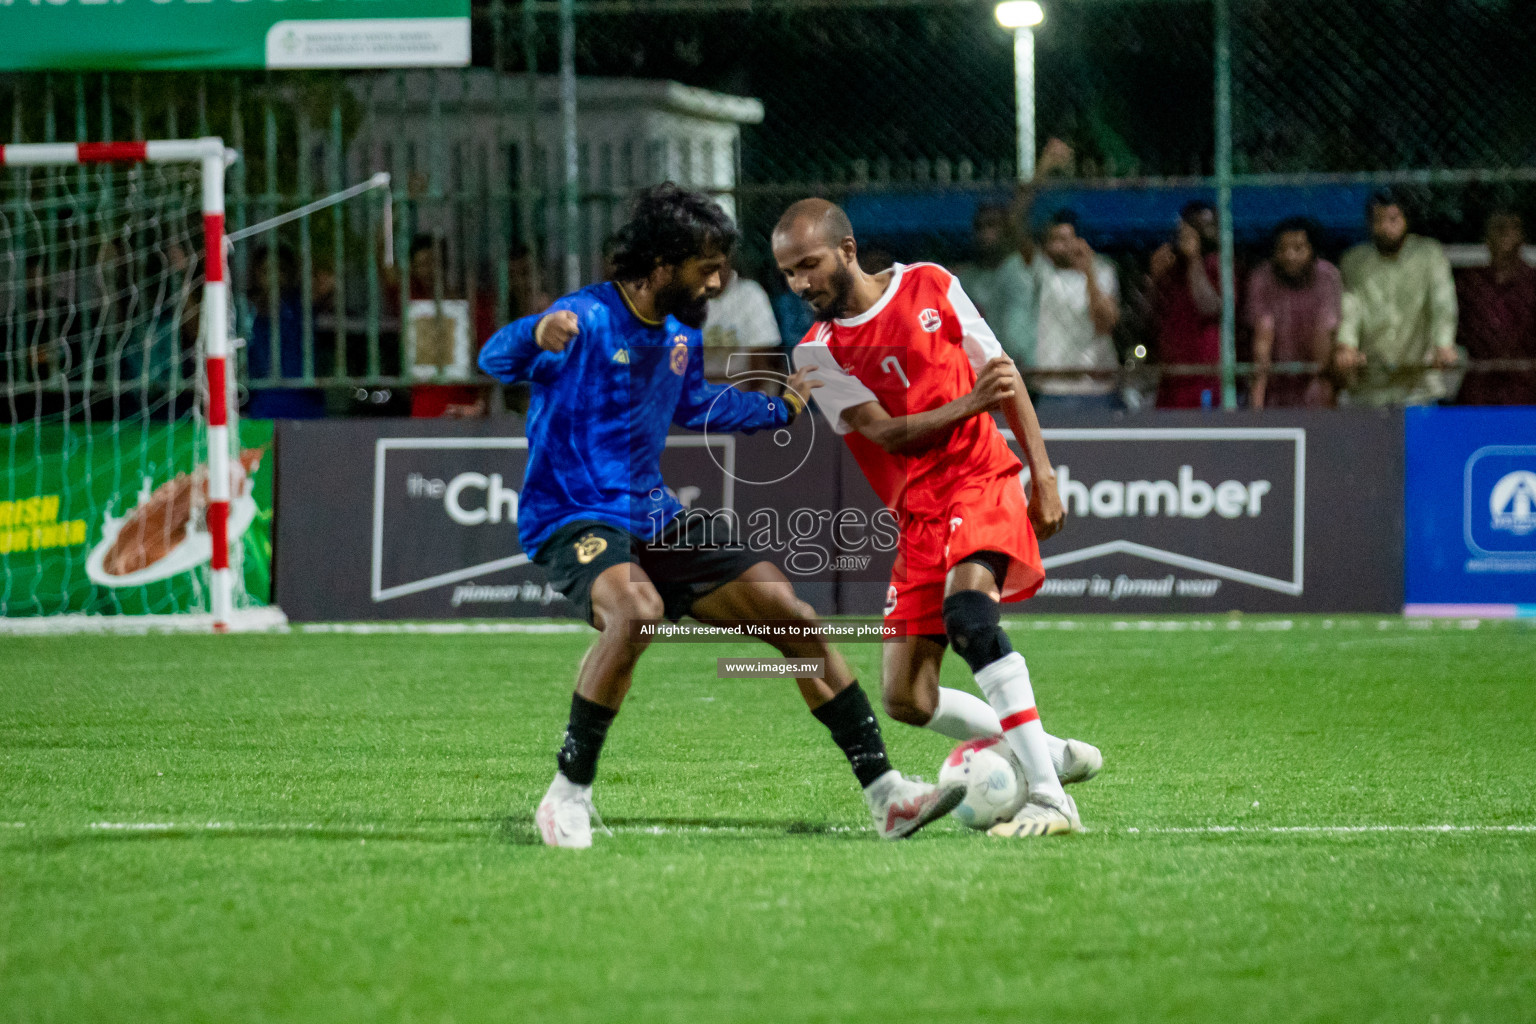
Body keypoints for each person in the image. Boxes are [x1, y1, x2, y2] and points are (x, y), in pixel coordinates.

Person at [478, 184, 963, 849]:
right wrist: (534, 330)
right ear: (663, 261)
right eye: (705, 265)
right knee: (637, 611)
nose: (718, 279)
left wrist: (778, 408)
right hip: (572, 513)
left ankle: (887, 796)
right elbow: (494, 360)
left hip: (654, 514)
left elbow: (696, 406)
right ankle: (567, 794)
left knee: (793, 619)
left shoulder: (677, 334)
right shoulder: (584, 317)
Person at [775, 198, 1101, 840]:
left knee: (971, 620)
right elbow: (888, 435)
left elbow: (1001, 379)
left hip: (980, 480)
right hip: (919, 514)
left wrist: (1043, 473)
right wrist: (970, 403)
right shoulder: (815, 354)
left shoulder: (931, 284)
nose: (800, 283)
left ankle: (1051, 797)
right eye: (787, 272)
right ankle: (1045, 747)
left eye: (809, 264)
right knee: (905, 698)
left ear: (846, 250)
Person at [954, 137, 1075, 373]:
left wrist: (1043, 168)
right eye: (981, 226)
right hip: (982, 373)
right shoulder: (965, 278)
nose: (986, 232)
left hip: (1024, 372)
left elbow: (1016, 220)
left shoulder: (1020, 262)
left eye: (993, 225)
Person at [1335, 190, 1459, 406]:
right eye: (1378, 220)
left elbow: (1443, 304)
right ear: (1369, 224)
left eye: (1393, 219)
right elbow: (1350, 307)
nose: (1386, 227)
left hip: (1419, 381)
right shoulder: (1354, 261)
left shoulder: (1429, 255)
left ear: (1406, 220)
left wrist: (1443, 344)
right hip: (1371, 381)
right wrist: (1347, 345)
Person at [1245, 217, 1343, 408]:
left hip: (1314, 380)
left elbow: (1324, 335)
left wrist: (1324, 398)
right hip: (1275, 387)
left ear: (1312, 250)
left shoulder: (1327, 276)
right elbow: (1262, 339)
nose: (1289, 255)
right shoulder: (1262, 278)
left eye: (1298, 249)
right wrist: (1256, 408)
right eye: (1282, 249)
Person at [1031, 209, 1121, 412]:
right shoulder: (1043, 273)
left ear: (1080, 242)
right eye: (1053, 240)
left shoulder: (1102, 270)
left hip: (1094, 385)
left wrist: (1088, 271)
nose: (1058, 246)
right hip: (1052, 386)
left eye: (1064, 239)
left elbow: (1105, 323)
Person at [1455, 209, 1536, 406]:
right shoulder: (1471, 282)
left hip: (1526, 390)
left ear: (1522, 236)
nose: (1505, 234)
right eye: (1498, 228)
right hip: (1479, 389)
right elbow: (1456, 331)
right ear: (1486, 237)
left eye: (1511, 227)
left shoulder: (1533, 282)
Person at [1150, 200, 1225, 408]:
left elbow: (1209, 307)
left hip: (1204, 376)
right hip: (1171, 377)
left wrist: (1194, 259)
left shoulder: (1220, 265)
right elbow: (1148, 319)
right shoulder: (1171, 268)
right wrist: (1154, 279)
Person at [701, 256, 784, 388]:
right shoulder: (687, 298)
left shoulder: (751, 293)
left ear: (728, 262)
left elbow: (759, 367)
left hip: (743, 392)